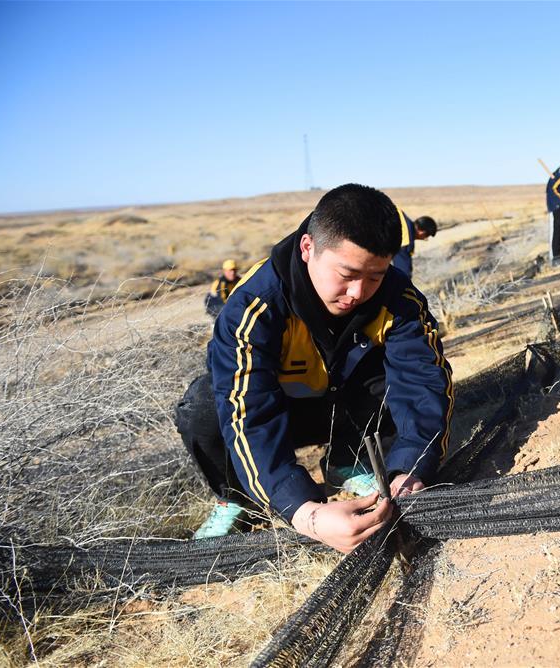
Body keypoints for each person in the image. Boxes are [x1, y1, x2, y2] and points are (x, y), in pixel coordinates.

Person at [175, 184, 454, 553]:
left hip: (342, 405)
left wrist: (412, 468)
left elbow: (423, 382)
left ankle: (347, 462)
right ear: (308, 248)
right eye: (347, 273)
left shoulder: (400, 298)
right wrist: (305, 511)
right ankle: (236, 497)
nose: (358, 292)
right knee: (202, 406)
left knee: (390, 373)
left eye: (374, 276)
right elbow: (247, 412)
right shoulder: (253, 305)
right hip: (280, 413)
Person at [393, 212, 437, 278]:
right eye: (426, 236)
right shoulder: (406, 242)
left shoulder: (400, 214)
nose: (425, 239)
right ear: (422, 232)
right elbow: (403, 273)